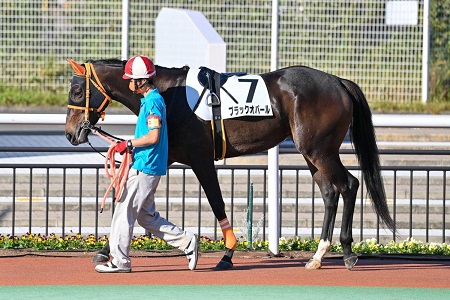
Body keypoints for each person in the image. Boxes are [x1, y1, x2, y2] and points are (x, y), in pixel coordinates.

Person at [95, 55, 199, 273]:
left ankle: (120, 261)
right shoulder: (151, 101)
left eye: (131, 79)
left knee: (124, 211)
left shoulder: (152, 102)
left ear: (141, 81)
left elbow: (153, 136)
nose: (129, 83)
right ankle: (186, 240)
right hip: (147, 165)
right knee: (146, 216)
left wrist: (128, 143)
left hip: (145, 166)